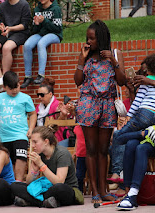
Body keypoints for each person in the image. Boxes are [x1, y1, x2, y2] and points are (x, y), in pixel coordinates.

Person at [74, 20, 126, 203]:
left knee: (104, 150)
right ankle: (95, 191)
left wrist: (113, 61)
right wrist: (81, 59)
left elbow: (122, 81)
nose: (88, 42)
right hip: (88, 103)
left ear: (102, 38)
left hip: (107, 105)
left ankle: (104, 190)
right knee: (91, 149)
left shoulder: (115, 54)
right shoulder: (86, 55)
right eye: (87, 38)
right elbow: (78, 81)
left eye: (92, 38)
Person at [11, 126, 83, 208]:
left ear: (46, 141)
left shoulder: (62, 153)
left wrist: (41, 165)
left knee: (59, 188)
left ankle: (32, 201)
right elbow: (28, 182)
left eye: (35, 142)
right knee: (15, 186)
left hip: (66, 189)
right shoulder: (39, 154)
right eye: (31, 142)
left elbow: (59, 181)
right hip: (47, 189)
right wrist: (34, 171)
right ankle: (47, 202)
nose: (32, 145)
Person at [0, 71, 37, 181]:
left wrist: (31, 128)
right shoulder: (0, 98)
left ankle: (18, 182)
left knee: (20, 158)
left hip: (20, 135)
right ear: (5, 87)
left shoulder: (25, 98)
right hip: (3, 137)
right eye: (11, 88)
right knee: (6, 160)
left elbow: (33, 114)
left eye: (17, 87)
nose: (15, 90)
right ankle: (9, 183)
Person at [0, 0, 31, 91]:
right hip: (8, 34)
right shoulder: (3, 6)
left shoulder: (24, 4)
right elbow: (2, 22)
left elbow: (24, 25)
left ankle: (5, 78)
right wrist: (2, 27)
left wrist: (10, 28)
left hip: (21, 34)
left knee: (6, 47)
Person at [113, 54, 155, 147]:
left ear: (148, 69)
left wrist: (128, 117)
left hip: (144, 113)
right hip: (153, 119)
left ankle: (143, 134)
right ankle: (143, 134)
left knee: (118, 135)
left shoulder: (145, 81)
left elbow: (137, 102)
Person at [21, 0, 63, 88]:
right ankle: (28, 76)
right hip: (41, 34)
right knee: (27, 45)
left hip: (54, 35)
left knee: (41, 43)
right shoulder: (37, 9)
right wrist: (36, 24)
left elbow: (57, 29)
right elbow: (35, 30)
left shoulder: (55, 9)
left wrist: (44, 21)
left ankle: (41, 75)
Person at [116, 126, 155, 210]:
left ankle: (133, 192)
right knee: (131, 144)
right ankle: (128, 193)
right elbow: (119, 138)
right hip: (147, 137)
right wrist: (142, 133)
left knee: (141, 148)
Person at [35, 77, 72, 146]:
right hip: (42, 140)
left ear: (50, 94)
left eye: (42, 95)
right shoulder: (38, 107)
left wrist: (63, 114)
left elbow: (61, 121)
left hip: (57, 139)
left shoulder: (57, 105)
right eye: (38, 95)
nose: (39, 97)